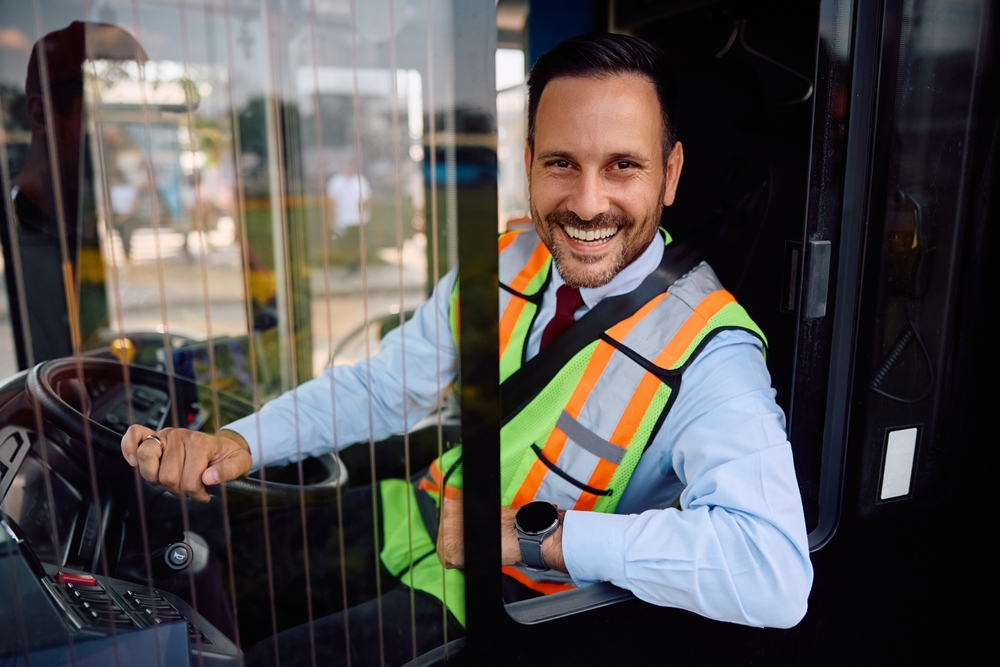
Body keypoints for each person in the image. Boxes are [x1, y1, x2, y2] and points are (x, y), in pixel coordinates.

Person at [121, 33, 812, 666]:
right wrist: (237, 444)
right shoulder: (505, 261)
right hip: (411, 513)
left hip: (499, 596)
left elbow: (774, 570)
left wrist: (537, 534)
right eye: (562, 163)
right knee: (180, 578)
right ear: (528, 165)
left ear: (670, 174)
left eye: (623, 166)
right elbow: (386, 387)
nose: (588, 201)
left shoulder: (713, 352)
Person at [0, 21, 146, 367]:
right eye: (98, 117)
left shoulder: (80, 232)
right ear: (41, 115)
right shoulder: (16, 239)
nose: (118, 140)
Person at [326, 163, 373, 272]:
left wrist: (365, 207)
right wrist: (332, 219)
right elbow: (331, 202)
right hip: (344, 220)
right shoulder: (336, 181)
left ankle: (355, 264)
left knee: (358, 244)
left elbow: (368, 197)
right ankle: (349, 264)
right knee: (347, 245)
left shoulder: (360, 180)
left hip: (359, 219)